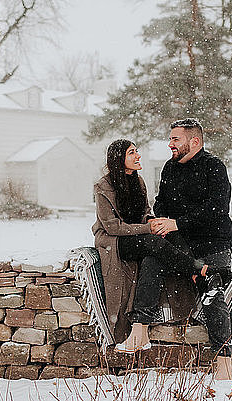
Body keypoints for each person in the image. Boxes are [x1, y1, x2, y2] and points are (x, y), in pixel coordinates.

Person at [119, 118, 232, 380]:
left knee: (213, 289)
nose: (170, 143)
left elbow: (217, 210)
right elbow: (162, 203)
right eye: (170, 138)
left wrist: (177, 223)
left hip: (212, 242)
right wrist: (158, 220)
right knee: (152, 259)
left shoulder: (214, 167)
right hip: (179, 242)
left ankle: (224, 365)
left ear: (194, 141)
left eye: (175, 139)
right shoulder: (169, 168)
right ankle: (139, 330)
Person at [92, 139, 214, 353]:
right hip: (115, 241)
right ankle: (196, 269)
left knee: (157, 251)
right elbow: (112, 227)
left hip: (139, 236)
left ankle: (140, 331)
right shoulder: (103, 187)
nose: (138, 156)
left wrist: (153, 222)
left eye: (137, 151)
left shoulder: (138, 182)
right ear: (119, 159)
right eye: (132, 153)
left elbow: (145, 212)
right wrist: (147, 229)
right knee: (154, 242)